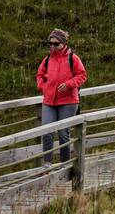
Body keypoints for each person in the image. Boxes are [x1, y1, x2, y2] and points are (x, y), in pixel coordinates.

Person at [36, 29, 88, 168]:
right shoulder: (47, 59)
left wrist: (69, 84)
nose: (52, 46)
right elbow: (39, 75)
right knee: (47, 131)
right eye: (50, 43)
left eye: (55, 43)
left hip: (68, 101)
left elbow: (82, 75)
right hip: (49, 101)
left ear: (63, 43)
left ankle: (64, 165)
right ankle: (47, 163)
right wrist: (43, 87)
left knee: (63, 133)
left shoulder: (73, 58)